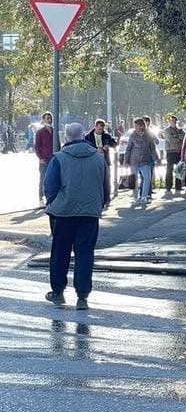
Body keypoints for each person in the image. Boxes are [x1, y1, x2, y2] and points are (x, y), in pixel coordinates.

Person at [43, 121, 106, 310]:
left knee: (60, 252)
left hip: (63, 213)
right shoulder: (98, 158)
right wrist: (98, 205)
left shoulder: (59, 158)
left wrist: (53, 204)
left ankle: (58, 292)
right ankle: (82, 296)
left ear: (66, 137)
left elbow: (49, 187)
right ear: (83, 136)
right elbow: (106, 186)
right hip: (89, 213)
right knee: (85, 253)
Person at [122, 117, 156, 207]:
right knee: (134, 180)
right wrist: (126, 161)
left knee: (147, 179)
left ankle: (144, 196)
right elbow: (128, 149)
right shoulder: (132, 136)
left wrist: (156, 158)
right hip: (134, 161)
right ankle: (135, 197)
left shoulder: (148, 135)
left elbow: (152, 148)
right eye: (135, 126)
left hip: (145, 161)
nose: (136, 127)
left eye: (138, 125)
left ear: (142, 126)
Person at [84, 118, 117, 206]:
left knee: (106, 180)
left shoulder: (106, 136)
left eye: (101, 130)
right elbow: (86, 148)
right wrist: (95, 149)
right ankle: (94, 198)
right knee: (94, 180)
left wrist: (108, 145)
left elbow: (114, 143)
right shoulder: (88, 137)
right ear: (95, 127)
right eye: (98, 129)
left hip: (104, 160)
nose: (100, 131)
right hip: (93, 161)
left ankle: (107, 199)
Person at [35, 111, 57, 203]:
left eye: (50, 118)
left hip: (54, 157)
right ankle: (41, 197)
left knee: (54, 177)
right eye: (47, 118)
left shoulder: (54, 131)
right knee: (43, 178)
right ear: (43, 120)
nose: (49, 119)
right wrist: (40, 158)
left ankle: (51, 196)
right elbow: (37, 146)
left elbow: (58, 143)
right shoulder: (40, 132)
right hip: (44, 158)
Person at [161, 114, 185, 194]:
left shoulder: (180, 130)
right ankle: (168, 186)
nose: (174, 122)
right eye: (172, 121)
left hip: (179, 151)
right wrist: (177, 138)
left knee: (179, 169)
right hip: (170, 151)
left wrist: (176, 136)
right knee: (169, 169)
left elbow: (183, 137)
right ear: (169, 121)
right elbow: (170, 139)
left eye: (175, 121)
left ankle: (178, 186)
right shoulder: (167, 130)